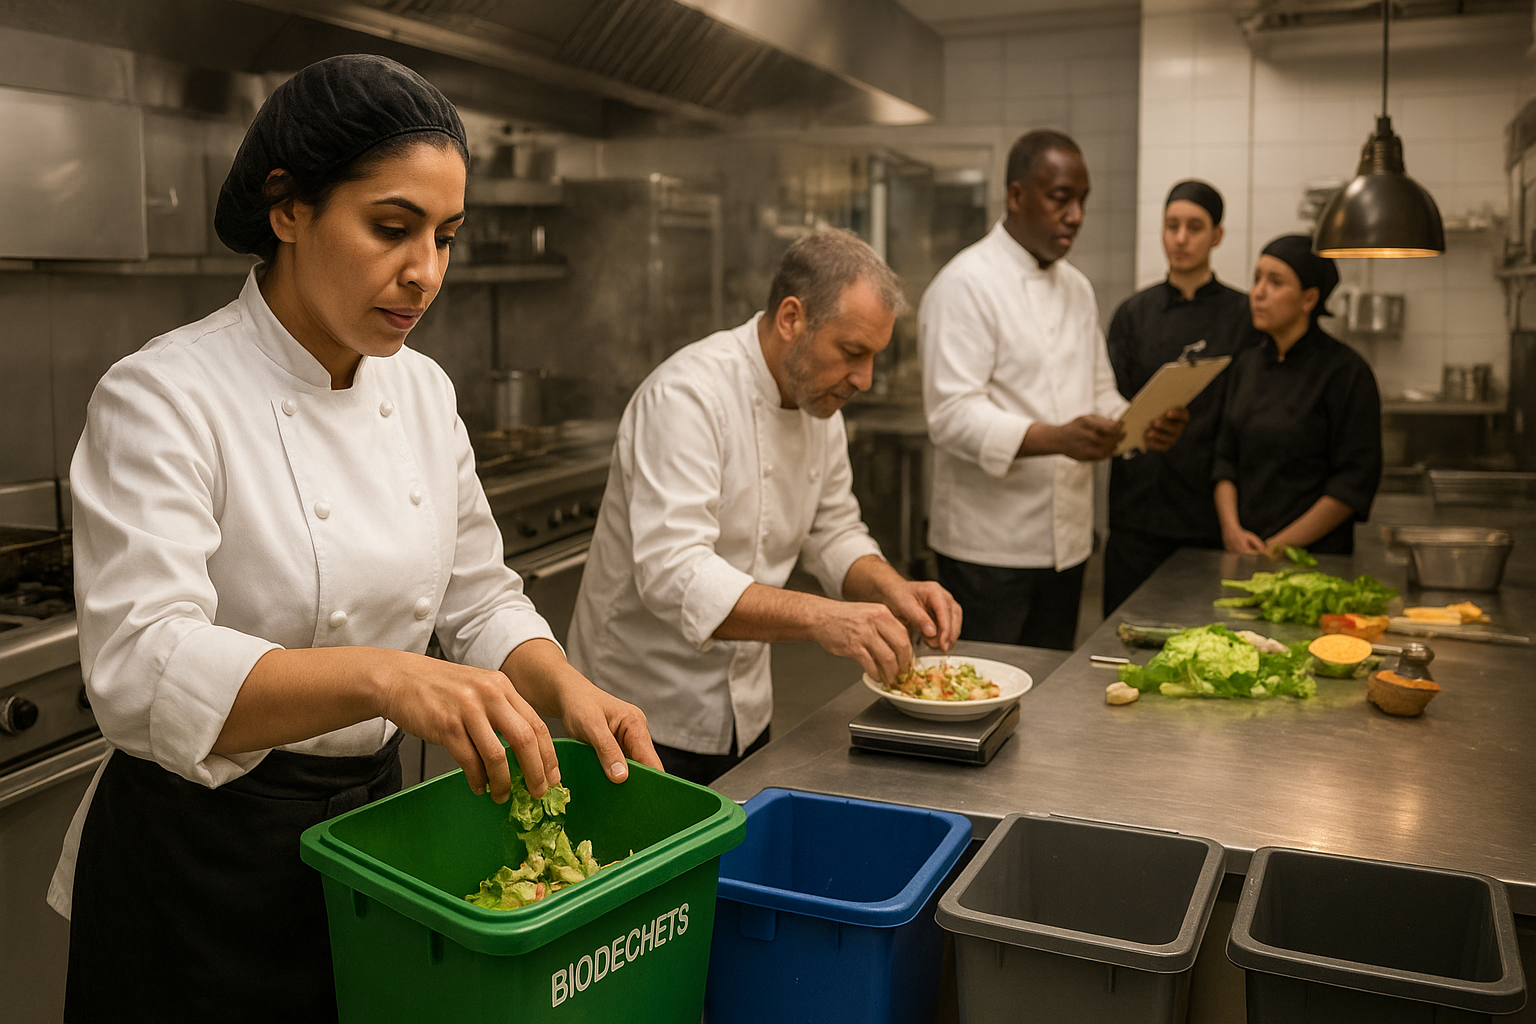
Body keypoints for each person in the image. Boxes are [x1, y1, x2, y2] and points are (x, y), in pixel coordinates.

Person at [51, 55, 660, 1023]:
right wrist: (385, 676)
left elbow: (479, 596)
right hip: (201, 857)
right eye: (391, 228)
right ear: (287, 207)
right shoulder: (164, 395)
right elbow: (140, 663)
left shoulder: (420, 388)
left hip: (373, 831)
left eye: (447, 238)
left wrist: (566, 685)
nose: (424, 271)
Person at [567, 230, 962, 786]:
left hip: (746, 708)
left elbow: (833, 529)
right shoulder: (688, 397)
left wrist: (890, 588)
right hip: (636, 716)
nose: (865, 380)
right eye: (852, 352)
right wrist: (825, 618)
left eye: (874, 357)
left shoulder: (818, 403)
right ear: (791, 319)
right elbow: (674, 576)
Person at [919, 129, 1187, 651]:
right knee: (981, 693)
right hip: (987, 550)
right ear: (1016, 196)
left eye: (1082, 201)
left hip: (1067, 545)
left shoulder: (1077, 289)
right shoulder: (965, 284)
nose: (1076, 216)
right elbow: (951, 415)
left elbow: (1099, 394)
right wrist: (1056, 438)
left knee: (1045, 697)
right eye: (1060, 198)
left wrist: (1138, 424)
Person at [1102, 180, 1258, 614]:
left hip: (1209, 518)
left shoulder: (1243, 316)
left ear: (1217, 236)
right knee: (1123, 636)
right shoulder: (1133, 314)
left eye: (1194, 227)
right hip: (1138, 514)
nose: (1181, 238)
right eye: (1172, 226)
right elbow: (1111, 403)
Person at [1213, 235, 1383, 555]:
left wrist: (1278, 547)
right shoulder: (1246, 365)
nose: (1258, 292)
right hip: (1244, 551)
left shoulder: (1345, 373)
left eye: (1275, 282)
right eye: (1257, 279)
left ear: (1308, 299)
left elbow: (1352, 482)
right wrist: (1231, 530)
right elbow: (1225, 460)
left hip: (1314, 560)